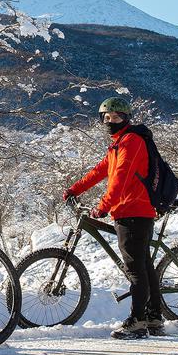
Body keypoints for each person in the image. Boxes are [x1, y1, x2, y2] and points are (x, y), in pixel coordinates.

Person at [63, 96, 165, 339]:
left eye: (116, 117)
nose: (110, 121)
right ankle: (154, 316)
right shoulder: (119, 143)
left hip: (133, 211)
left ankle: (138, 321)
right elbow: (100, 171)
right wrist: (74, 189)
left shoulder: (131, 142)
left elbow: (120, 178)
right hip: (132, 210)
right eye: (106, 118)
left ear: (126, 119)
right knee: (144, 265)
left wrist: (102, 207)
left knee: (136, 268)